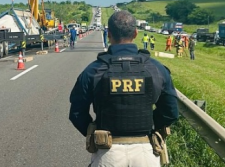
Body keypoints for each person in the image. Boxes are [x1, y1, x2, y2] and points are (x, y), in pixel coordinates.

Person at [69, 10, 179, 167]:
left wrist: (94, 131)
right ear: (135, 33)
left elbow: (76, 113)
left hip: (107, 152)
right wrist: (148, 123)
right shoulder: (156, 69)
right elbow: (171, 112)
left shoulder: (93, 70)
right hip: (145, 152)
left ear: (109, 35)